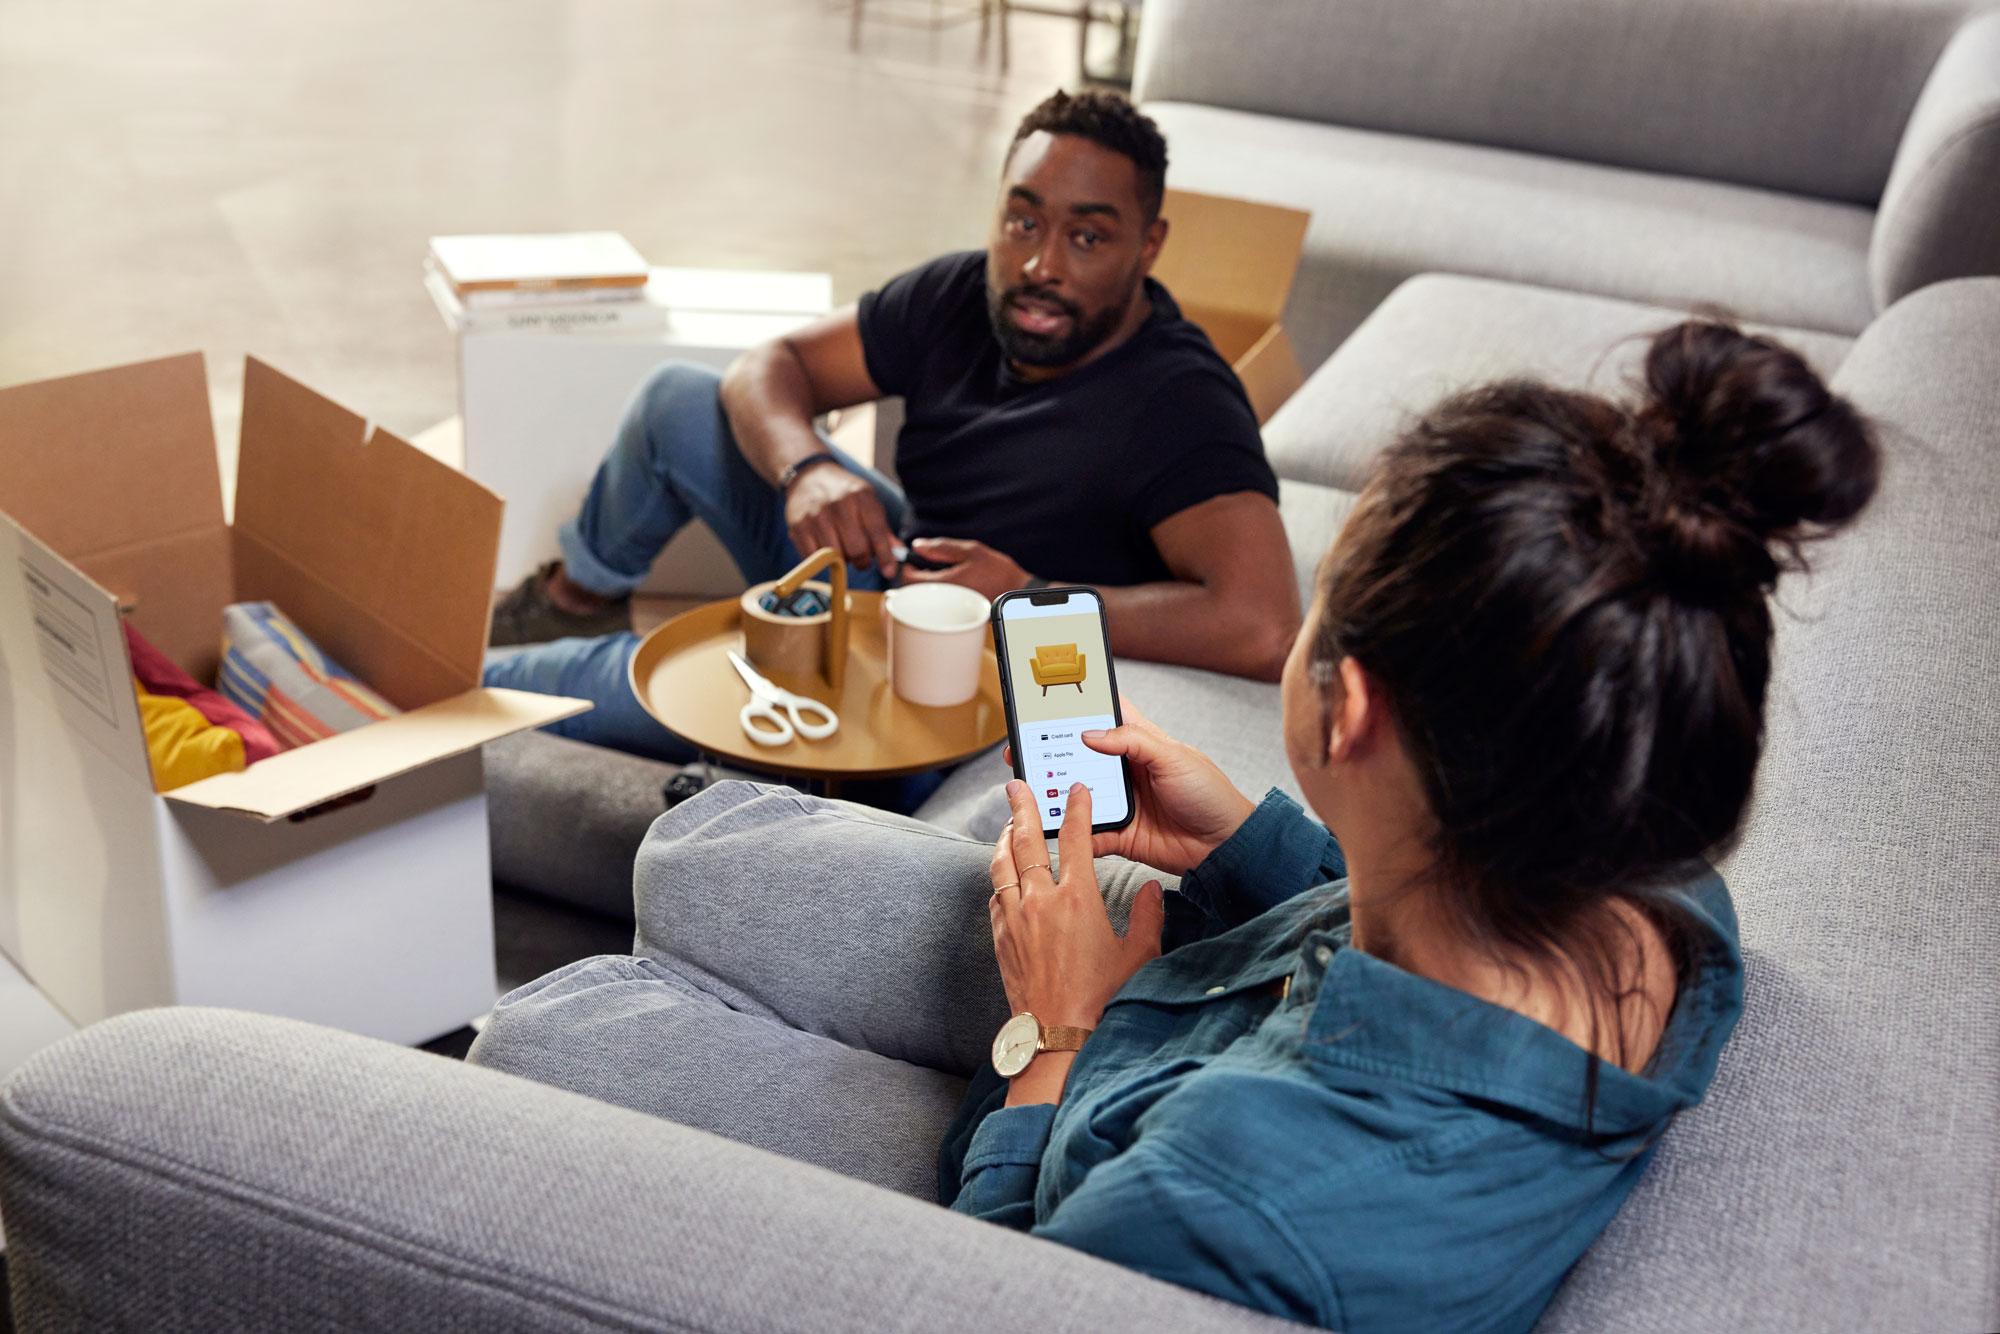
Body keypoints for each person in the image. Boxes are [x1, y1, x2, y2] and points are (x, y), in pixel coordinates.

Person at [467, 318, 1880, 1330]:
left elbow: (1003, 1286)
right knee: (707, 849)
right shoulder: (1657, 879)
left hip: (1078, 1143)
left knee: (548, 1030)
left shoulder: (1238, 1199)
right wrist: (1260, 850)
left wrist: (1058, 1032)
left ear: (1352, 707)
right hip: (1203, 1023)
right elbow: (1442, 938)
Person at [483, 89, 1297, 763]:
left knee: (533, 686)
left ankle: (508, 681)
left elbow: (1263, 625)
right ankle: (575, 596)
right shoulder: (961, 295)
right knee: (679, 401)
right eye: (1023, 223)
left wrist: (1023, 599)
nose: (1041, 265)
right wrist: (808, 468)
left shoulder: (1180, 400)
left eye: (1087, 237)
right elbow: (769, 365)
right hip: (896, 568)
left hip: (965, 674)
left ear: (1149, 246)